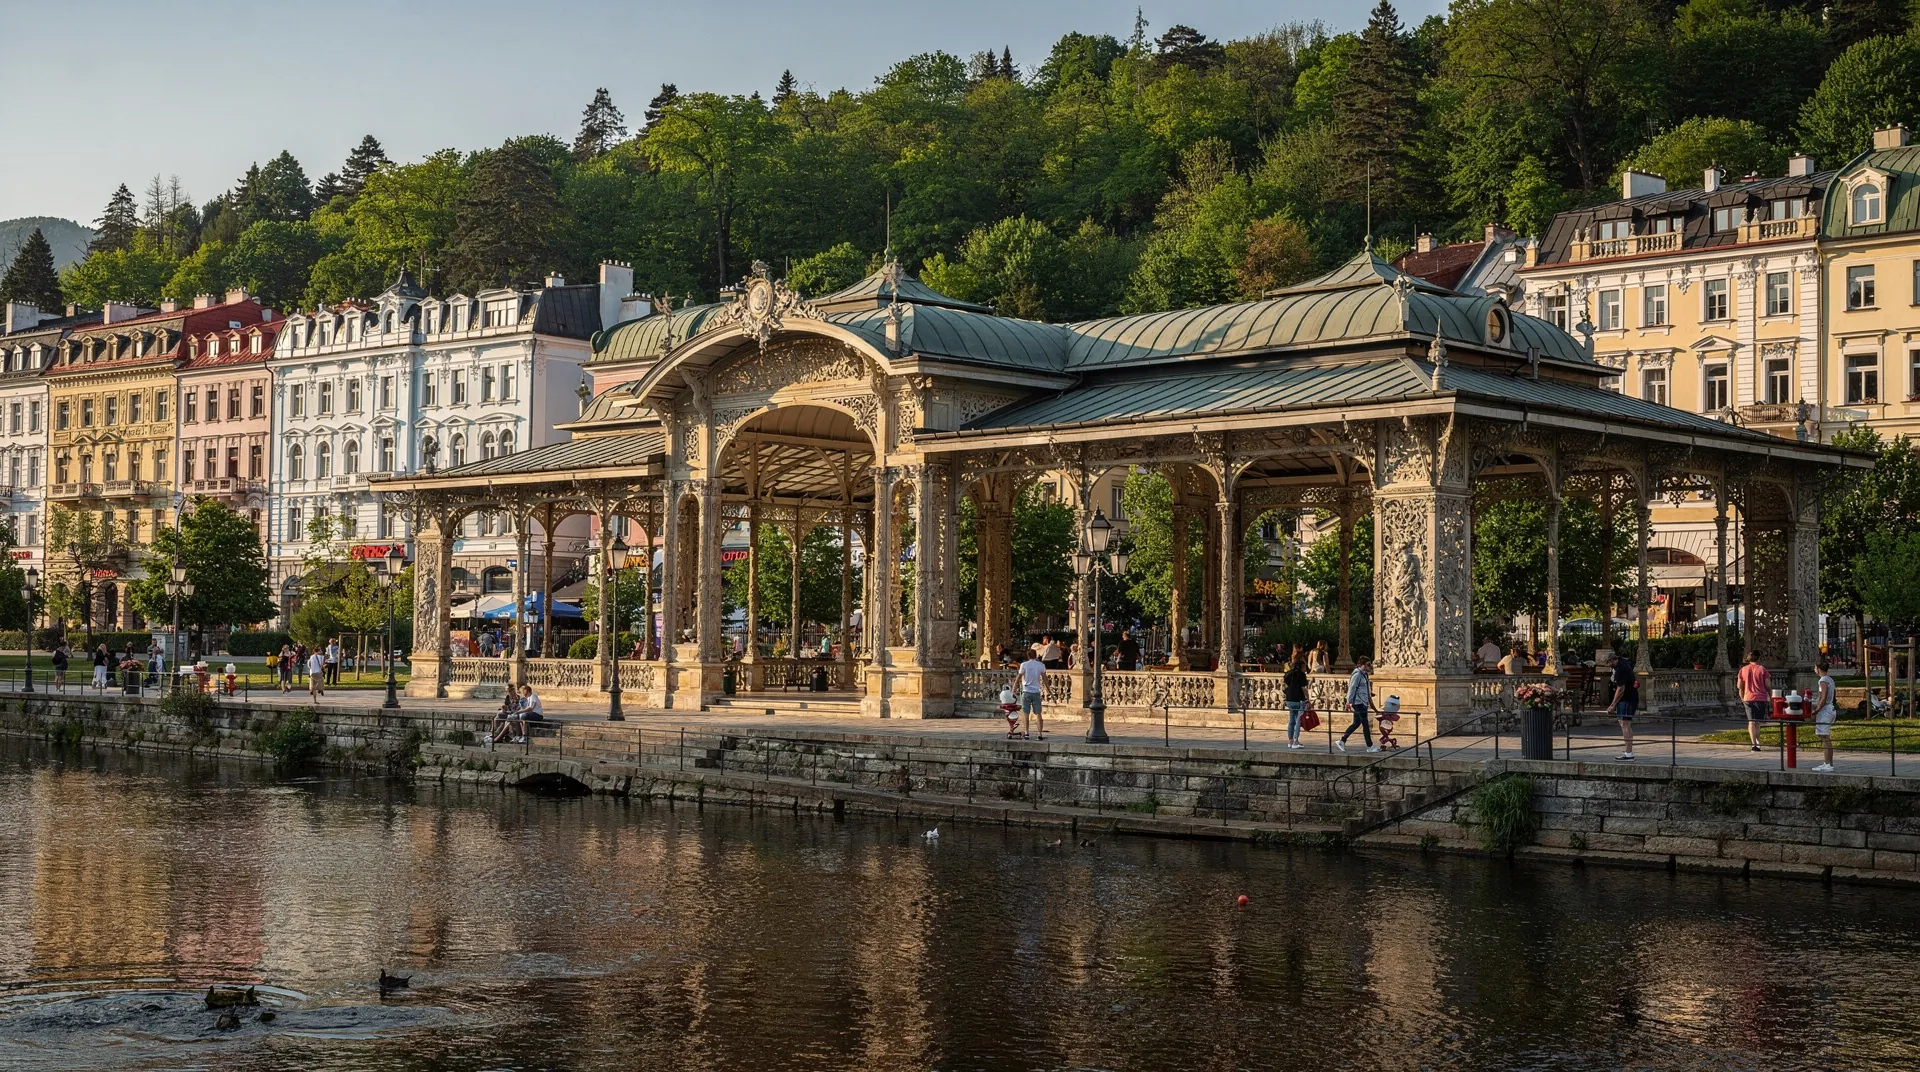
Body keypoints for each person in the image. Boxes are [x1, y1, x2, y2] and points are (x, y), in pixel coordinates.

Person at [1604, 650, 1639, 760]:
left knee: (1625, 723)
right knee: (1623, 722)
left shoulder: (1621, 669)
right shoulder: (1621, 663)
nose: (1608, 665)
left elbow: (1620, 689)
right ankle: (1628, 751)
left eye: (1608, 663)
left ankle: (1629, 753)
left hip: (1627, 698)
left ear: (1611, 660)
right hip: (1626, 698)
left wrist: (1612, 704)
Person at [1338, 655, 1379, 752]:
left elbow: (1363, 687)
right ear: (1362, 665)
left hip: (1362, 701)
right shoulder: (1357, 675)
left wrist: (1369, 694)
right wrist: (1349, 702)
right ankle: (1369, 746)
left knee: (1357, 723)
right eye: (1368, 665)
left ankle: (1342, 740)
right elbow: (1352, 688)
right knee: (1365, 724)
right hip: (1358, 702)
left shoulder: (1364, 674)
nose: (1369, 667)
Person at [1738, 650, 1772, 752]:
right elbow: (1768, 685)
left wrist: (1742, 698)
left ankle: (1753, 744)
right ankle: (1758, 742)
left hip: (1748, 697)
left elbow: (1739, 686)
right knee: (1757, 722)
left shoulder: (1743, 670)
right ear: (1758, 658)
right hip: (1761, 697)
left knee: (1751, 721)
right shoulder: (1762, 669)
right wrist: (1769, 695)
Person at [1811, 659, 1838, 773]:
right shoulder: (1829, 679)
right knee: (1824, 737)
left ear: (1818, 668)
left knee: (1825, 737)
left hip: (1825, 710)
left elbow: (1823, 697)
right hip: (1829, 708)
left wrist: (1817, 709)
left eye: (1815, 667)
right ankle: (1827, 762)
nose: (1814, 669)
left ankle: (1828, 764)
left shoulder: (1823, 681)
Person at [1014, 649, 1047, 739]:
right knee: (1038, 714)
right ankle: (1040, 734)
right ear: (1035, 655)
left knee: (1026, 713)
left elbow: (1018, 678)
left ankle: (1027, 732)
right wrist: (1050, 692)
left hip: (1026, 691)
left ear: (1028, 656)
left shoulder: (1024, 665)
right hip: (1036, 692)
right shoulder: (1041, 665)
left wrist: (1013, 690)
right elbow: (1045, 679)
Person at [1282, 656, 1310, 749]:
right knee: (1298, 720)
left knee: (1291, 720)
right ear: (1301, 667)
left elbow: (1284, 686)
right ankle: (1295, 741)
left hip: (1289, 699)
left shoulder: (1288, 674)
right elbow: (1303, 688)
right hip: (1299, 699)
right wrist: (1307, 699)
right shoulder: (1301, 675)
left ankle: (1290, 741)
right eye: (1304, 667)